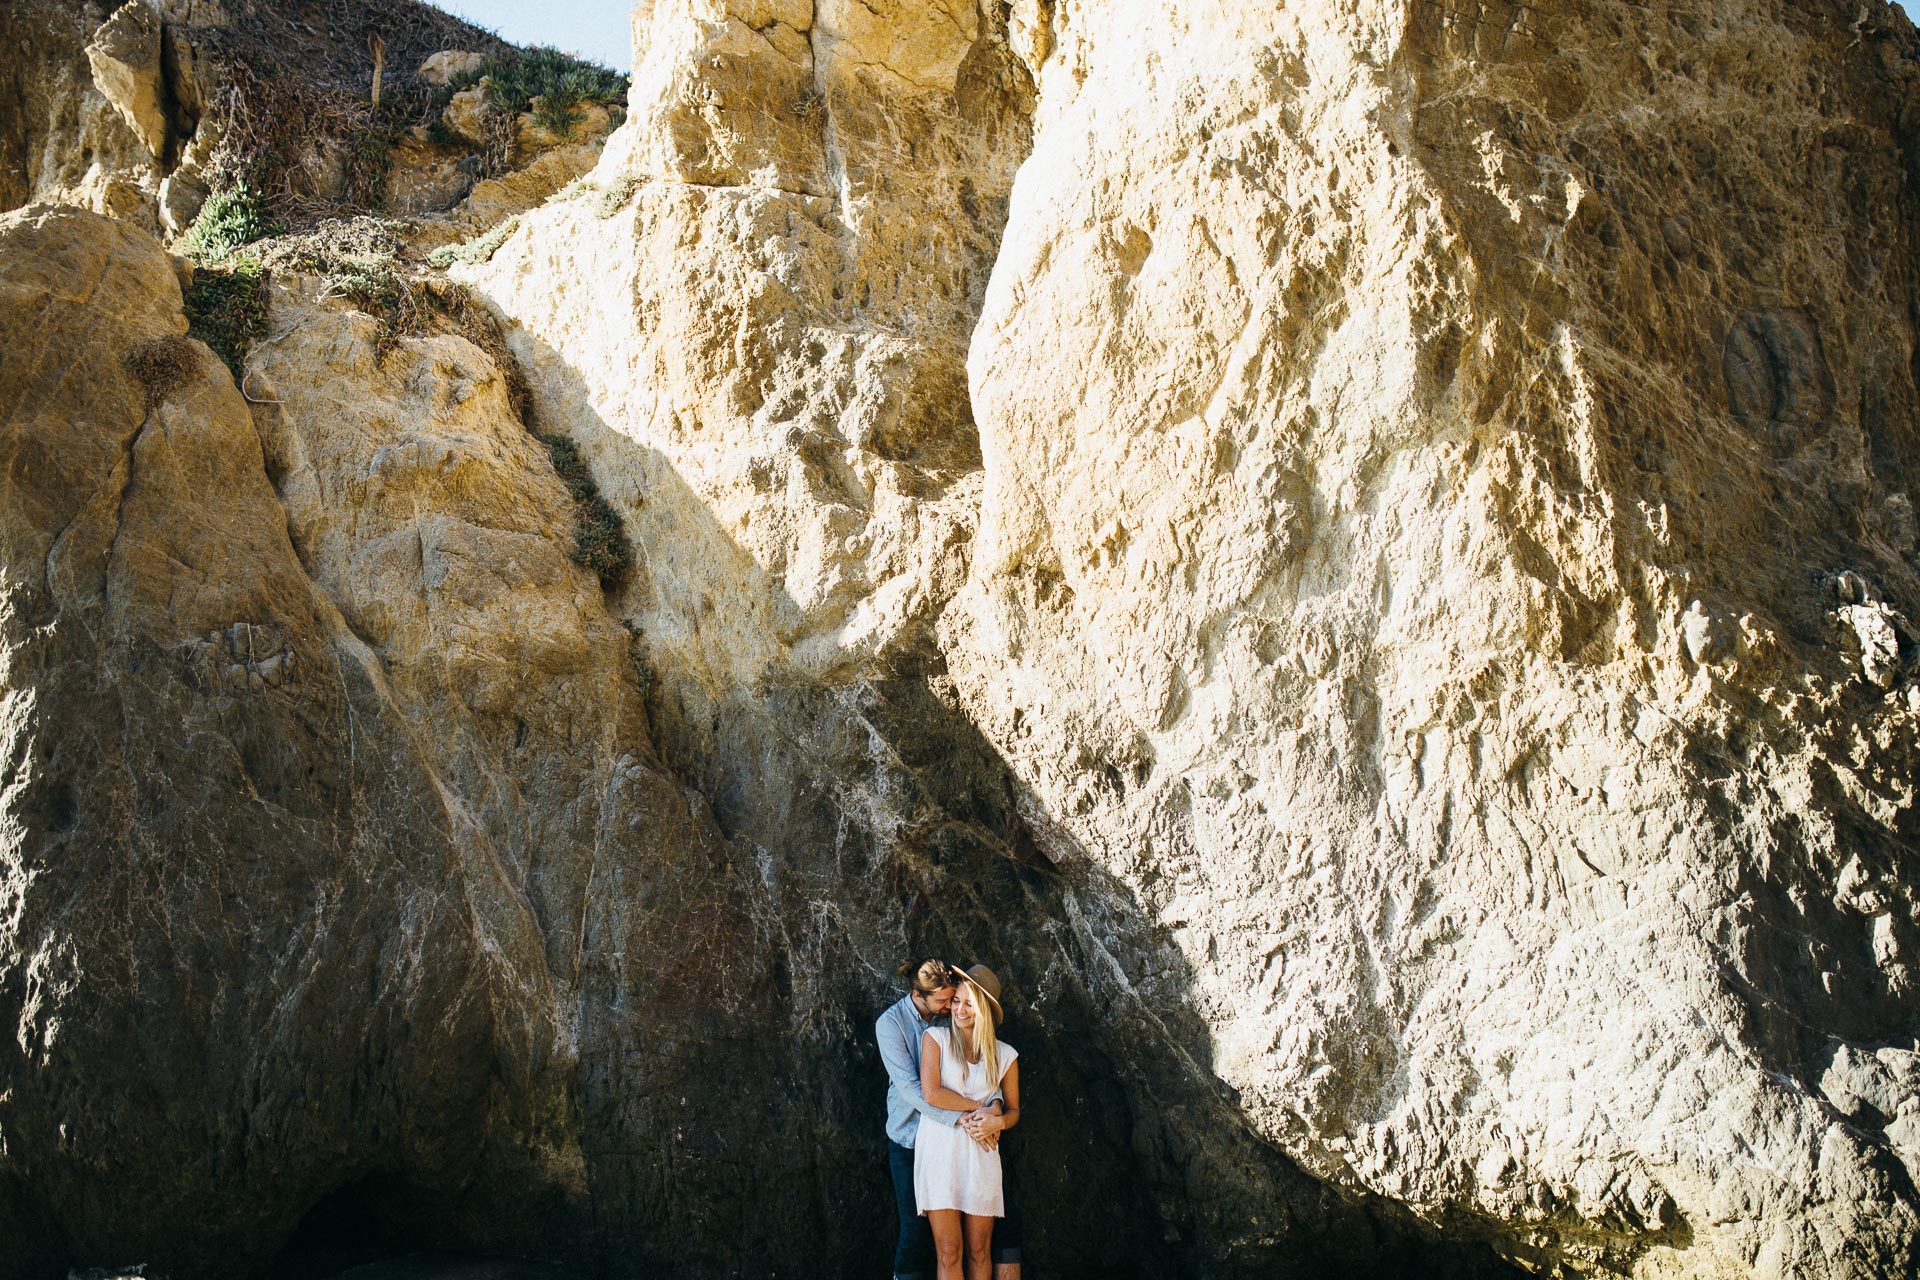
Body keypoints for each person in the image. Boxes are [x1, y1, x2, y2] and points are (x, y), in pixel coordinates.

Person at [875, 962, 1024, 1280]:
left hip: (977, 1148)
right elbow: (921, 1092)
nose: (952, 1007)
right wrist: (975, 1111)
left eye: (959, 1000)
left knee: (986, 1243)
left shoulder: (995, 1049)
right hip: (914, 1139)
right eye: (949, 1001)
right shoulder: (899, 1027)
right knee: (922, 1238)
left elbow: (996, 1090)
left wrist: (995, 1113)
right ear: (919, 995)